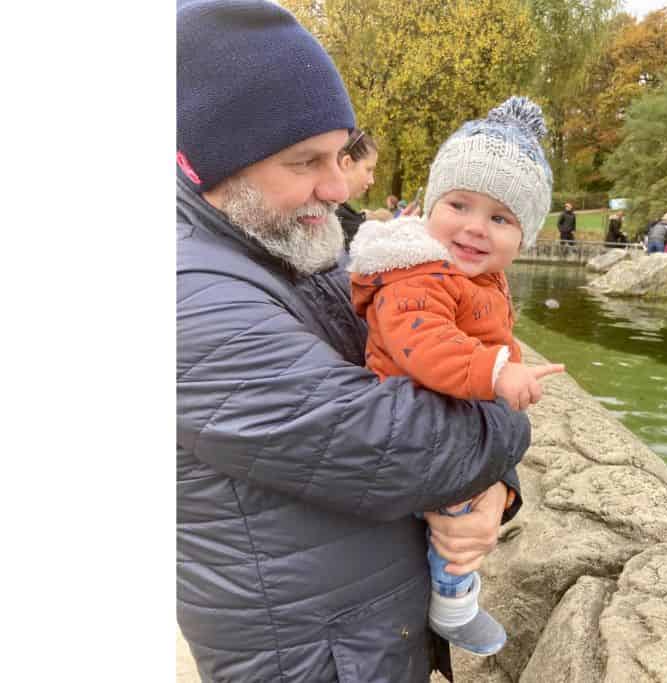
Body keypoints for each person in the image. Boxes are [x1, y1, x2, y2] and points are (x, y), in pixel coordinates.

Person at [176, 3, 530, 681]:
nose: (338, 185)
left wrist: (493, 493)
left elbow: (436, 367)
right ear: (215, 162)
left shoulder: (289, 234)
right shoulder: (185, 297)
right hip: (311, 658)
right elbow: (399, 446)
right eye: (305, 160)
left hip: (369, 637)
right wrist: (508, 401)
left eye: (340, 152)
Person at [348, 96, 563, 658]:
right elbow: (428, 347)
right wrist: (498, 374)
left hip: (447, 417)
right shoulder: (415, 277)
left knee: (468, 506)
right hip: (414, 425)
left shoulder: (478, 280)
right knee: (458, 517)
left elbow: (489, 337)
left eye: (500, 218)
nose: (474, 228)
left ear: (525, 237)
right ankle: (454, 604)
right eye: (459, 205)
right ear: (428, 206)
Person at [335, 127, 378, 250]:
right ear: (347, 163)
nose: (372, 180)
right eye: (368, 169)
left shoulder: (338, 212)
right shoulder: (332, 218)